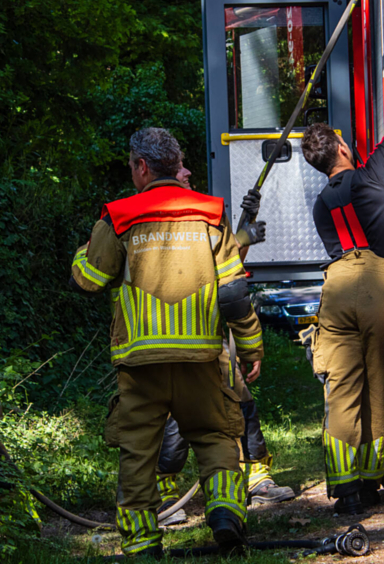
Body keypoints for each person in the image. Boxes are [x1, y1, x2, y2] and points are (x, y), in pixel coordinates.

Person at [70, 128, 265, 557]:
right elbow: (233, 293)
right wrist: (251, 347)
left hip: (140, 364)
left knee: (138, 452)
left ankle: (142, 544)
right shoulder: (211, 213)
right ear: (175, 164)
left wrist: (84, 251)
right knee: (216, 435)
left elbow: (89, 279)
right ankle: (225, 515)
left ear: (142, 167)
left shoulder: (118, 215)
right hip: (201, 359)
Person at [155, 164, 295, 527]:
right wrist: (242, 237)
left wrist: (243, 227)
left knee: (242, 401)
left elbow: (225, 272)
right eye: (180, 169)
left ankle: (256, 478)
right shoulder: (156, 220)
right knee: (173, 417)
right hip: (166, 340)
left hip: (209, 338)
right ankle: (165, 493)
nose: (187, 173)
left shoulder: (201, 214)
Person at [301, 70, 384, 515]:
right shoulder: (374, 174)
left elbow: (347, 236)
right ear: (342, 149)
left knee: (342, 386)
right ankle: (370, 483)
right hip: (380, 281)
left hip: (338, 284)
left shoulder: (322, 202)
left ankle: (344, 491)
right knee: (377, 383)